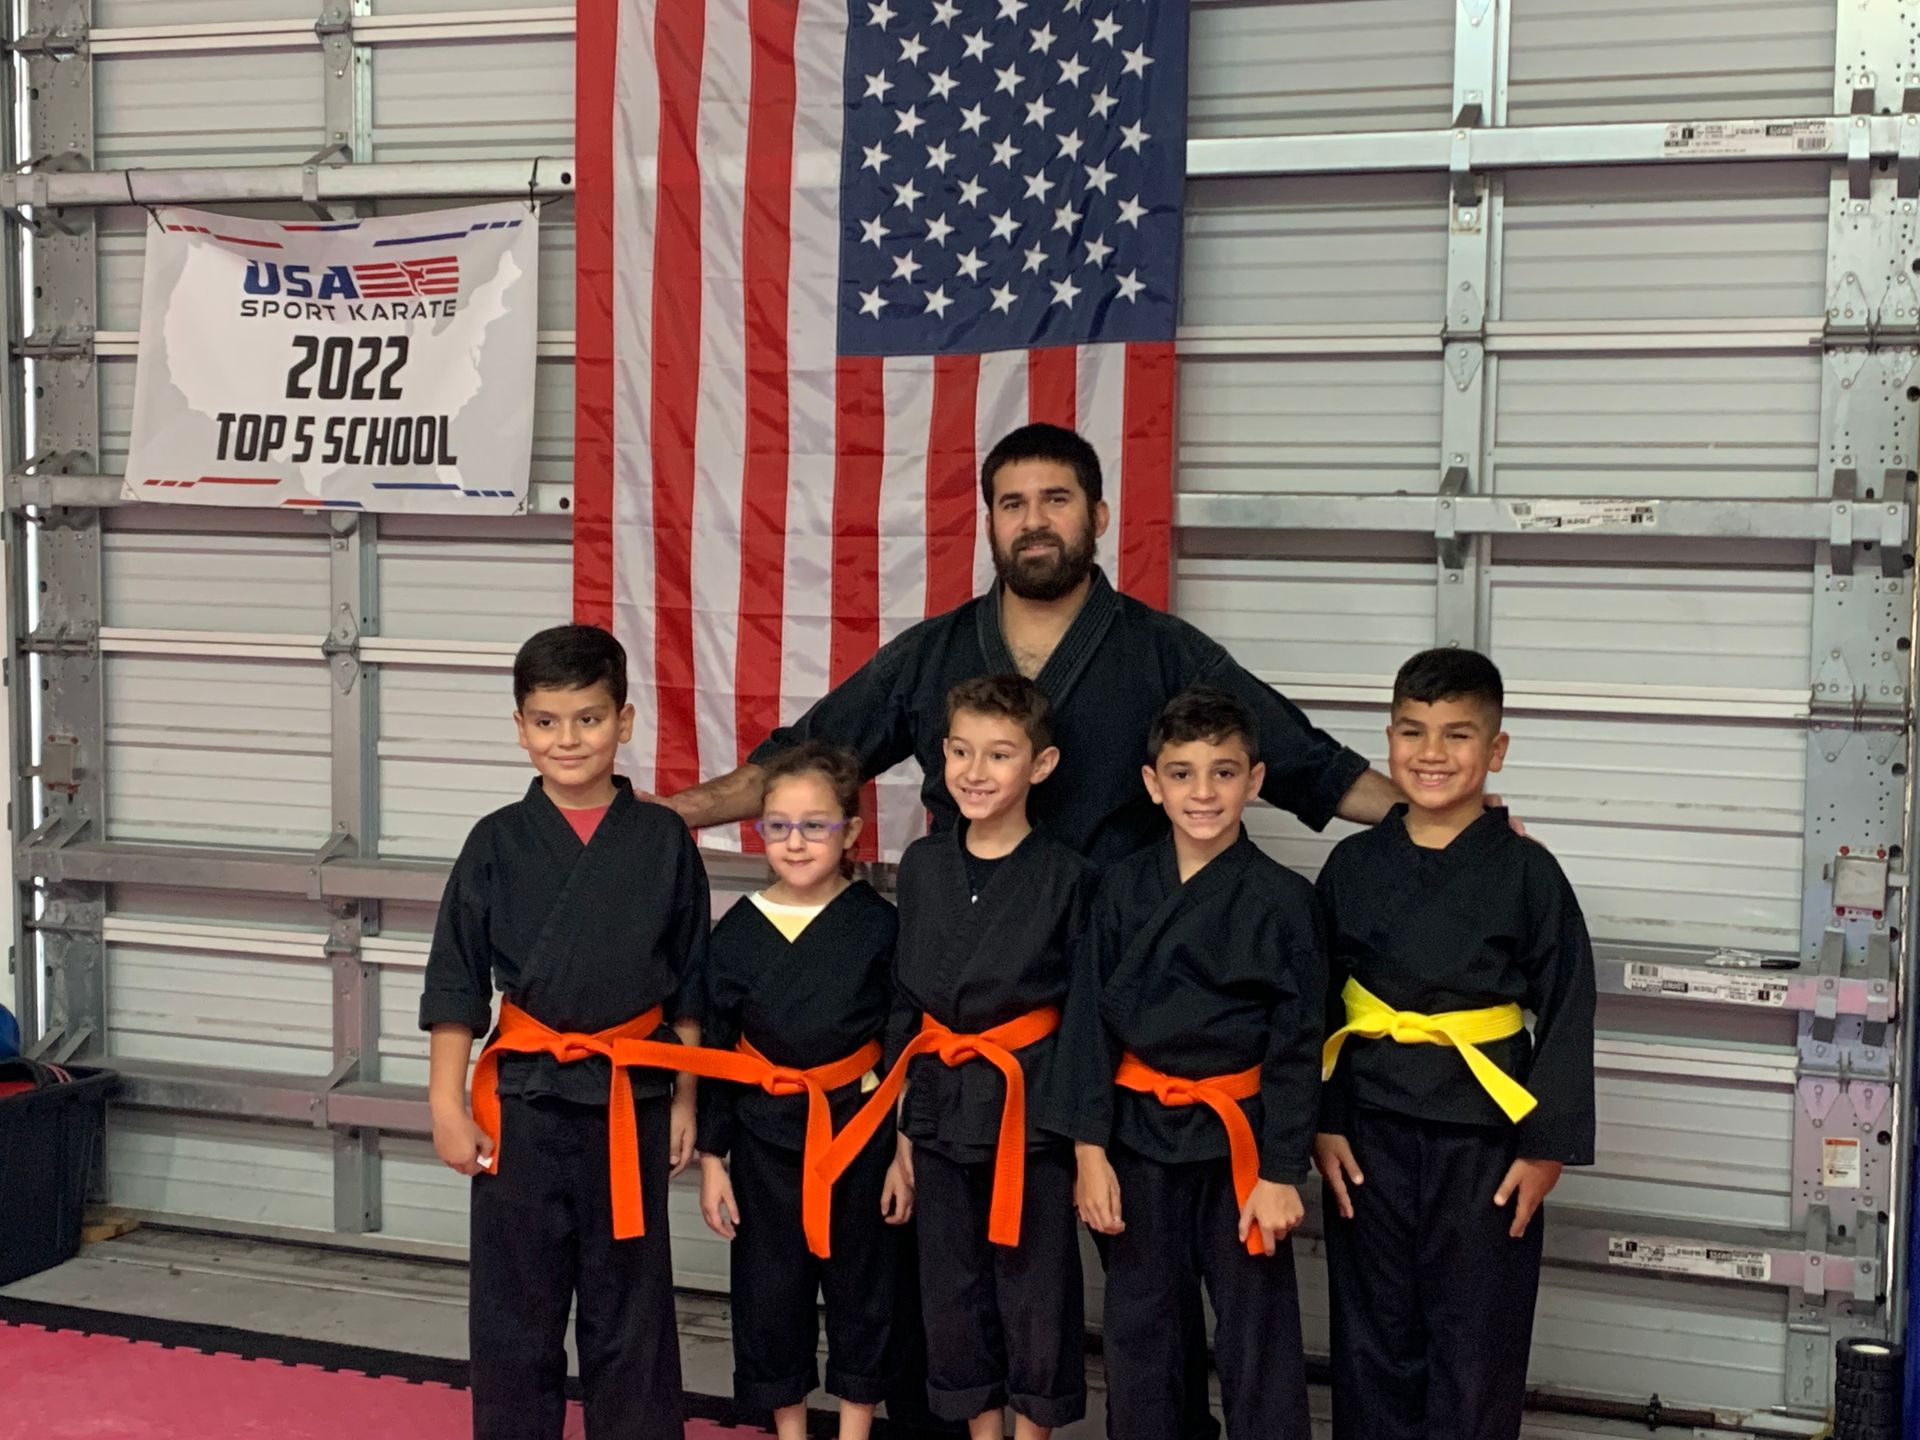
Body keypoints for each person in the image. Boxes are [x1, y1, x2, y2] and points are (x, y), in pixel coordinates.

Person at [662, 422, 1397, 1439]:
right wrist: (664, 814)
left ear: (1097, 517)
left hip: (1106, 1017)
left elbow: (1298, 756)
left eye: (1057, 500)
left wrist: (1428, 812)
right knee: (954, 1273)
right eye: (1013, 503)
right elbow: (806, 759)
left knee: (1121, 1282)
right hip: (966, 1012)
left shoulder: (1158, 647)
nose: (1034, 521)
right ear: (991, 523)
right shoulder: (936, 654)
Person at [419, 623, 712, 1440]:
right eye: (546, 721)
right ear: (520, 728)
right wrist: (447, 1101)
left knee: (633, 1304)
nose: (567, 739)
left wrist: (685, 1096)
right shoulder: (495, 842)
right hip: (521, 1101)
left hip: (632, 1094)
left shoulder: (662, 839)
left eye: (587, 718)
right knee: (517, 1308)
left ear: (625, 721)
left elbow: (691, 978)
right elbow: (456, 980)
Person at [1313, 648, 1595, 1440]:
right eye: (1413, 732)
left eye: (1457, 735)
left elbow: (1569, 1004)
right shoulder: (1351, 866)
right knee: (1372, 1338)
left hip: (1485, 1141)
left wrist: (1547, 1149)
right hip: (1368, 1130)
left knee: (1478, 1342)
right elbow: (1317, 1002)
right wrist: (1323, 1120)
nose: (1431, 754)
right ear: (1389, 739)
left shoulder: (1528, 874)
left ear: (1496, 750)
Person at [818, 675, 1093, 1440]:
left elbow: (1083, 1019)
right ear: (941, 756)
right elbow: (909, 1006)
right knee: (951, 1292)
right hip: (937, 1110)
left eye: (999, 754)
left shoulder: (1069, 877)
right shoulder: (926, 865)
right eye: (963, 751)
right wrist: (903, 1137)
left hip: (1027, 1114)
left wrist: (1081, 1143)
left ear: (1040, 766)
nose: (976, 771)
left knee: (1034, 1293)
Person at [1057, 687, 1323, 1440]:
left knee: (1256, 1332)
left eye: (1223, 772)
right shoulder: (1120, 889)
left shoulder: (1285, 901)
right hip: (1138, 1140)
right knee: (1142, 1331)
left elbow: (1298, 1044)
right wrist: (1088, 1151)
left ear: (1256, 780)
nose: (1202, 793)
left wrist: (1280, 1172)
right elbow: (1087, 1024)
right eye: (1182, 774)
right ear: (1152, 783)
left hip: (1241, 1146)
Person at [695, 741, 914, 1440]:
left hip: (861, 1131)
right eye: (779, 825)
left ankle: (854, 1427)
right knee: (769, 1292)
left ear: (851, 831)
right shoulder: (735, 933)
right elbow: (718, 1056)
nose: (796, 842)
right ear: (759, 828)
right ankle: (790, 1429)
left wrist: (903, 1151)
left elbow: (907, 1043)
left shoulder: (881, 926)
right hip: (764, 1139)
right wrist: (710, 1160)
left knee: (865, 1288)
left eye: (816, 824)